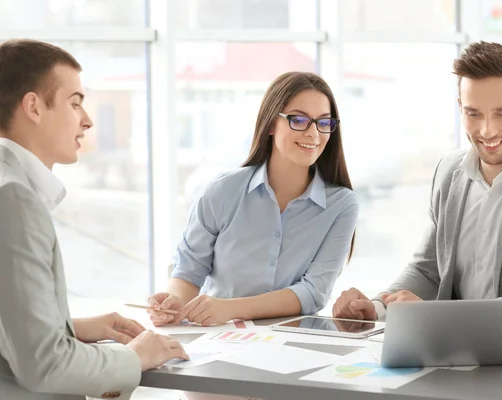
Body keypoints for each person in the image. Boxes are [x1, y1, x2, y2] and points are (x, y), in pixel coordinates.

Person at [333, 41, 502, 332]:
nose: (487, 130)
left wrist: (442, 317)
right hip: (450, 356)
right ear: (461, 108)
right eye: (474, 113)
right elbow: (429, 270)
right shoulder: (449, 172)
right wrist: (377, 308)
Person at [148, 71, 358, 399]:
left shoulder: (341, 205)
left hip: (294, 359)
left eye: (324, 122)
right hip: (216, 354)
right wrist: (173, 301)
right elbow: (188, 272)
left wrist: (230, 308)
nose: (314, 134)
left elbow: (313, 293)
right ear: (272, 123)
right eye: (300, 120)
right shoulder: (223, 191)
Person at [0, 39, 188, 400]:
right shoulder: (14, 199)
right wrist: (134, 357)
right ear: (34, 108)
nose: (86, 121)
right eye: (74, 104)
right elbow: (46, 365)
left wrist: (69, 328)